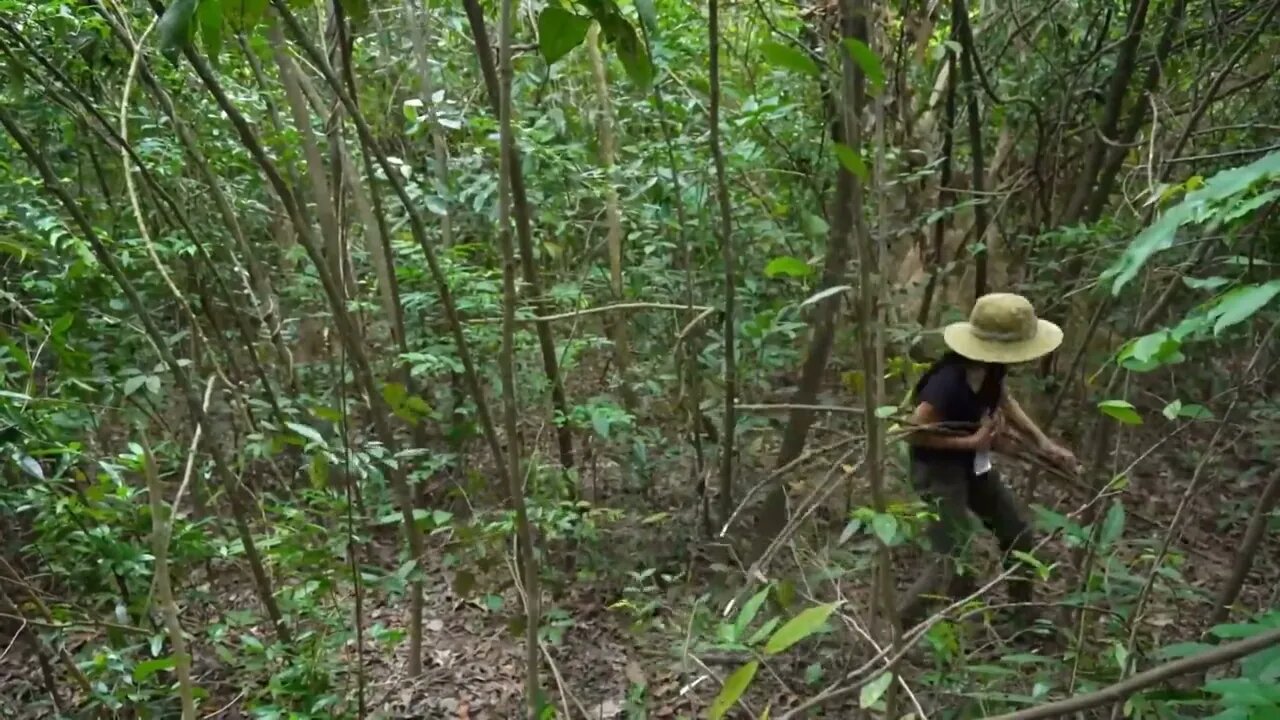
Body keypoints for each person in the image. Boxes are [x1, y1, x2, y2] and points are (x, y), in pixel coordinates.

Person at [897, 292, 1077, 627]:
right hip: (937, 470)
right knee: (951, 557)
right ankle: (898, 630)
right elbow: (910, 431)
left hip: (972, 464)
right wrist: (972, 442)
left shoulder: (992, 369)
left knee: (1017, 532)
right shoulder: (946, 381)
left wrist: (1042, 443)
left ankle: (1022, 616)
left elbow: (1005, 400)